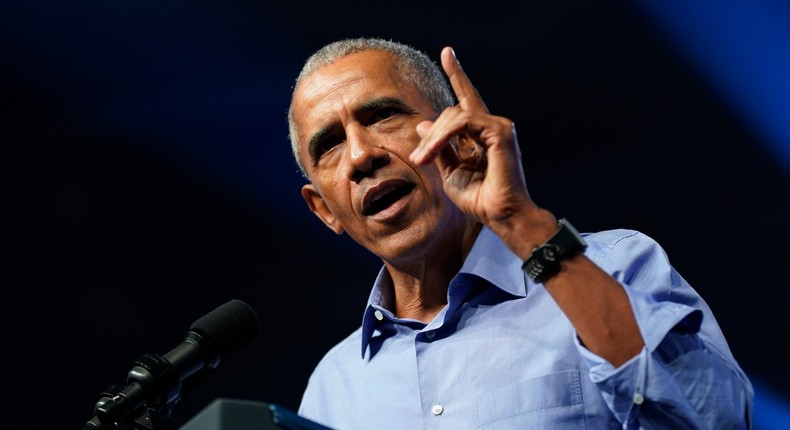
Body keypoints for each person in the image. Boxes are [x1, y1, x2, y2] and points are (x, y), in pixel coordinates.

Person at [286, 37, 754, 429]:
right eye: (329, 145)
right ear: (324, 209)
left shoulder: (615, 267)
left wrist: (519, 222)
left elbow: (717, 419)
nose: (361, 154)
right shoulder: (332, 390)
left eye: (382, 115)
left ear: (459, 133)